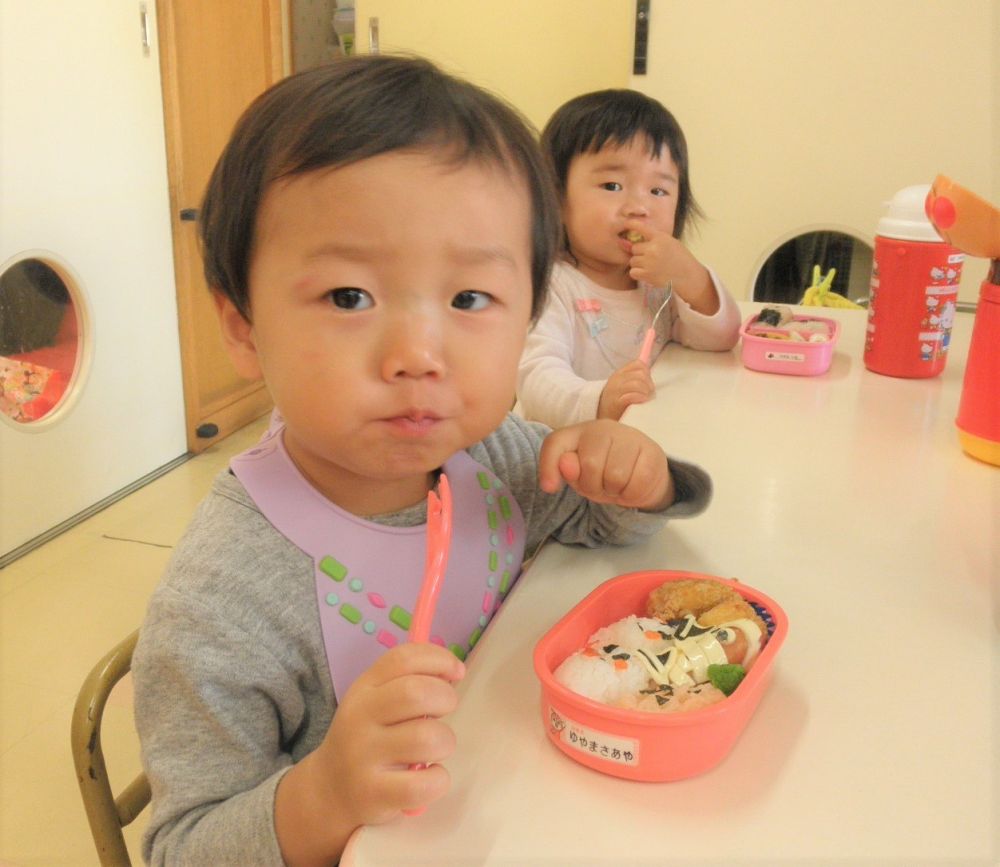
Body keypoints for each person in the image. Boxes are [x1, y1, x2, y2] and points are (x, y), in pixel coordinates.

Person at [132, 56, 714, 866]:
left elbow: (596, 522)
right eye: (348, 297)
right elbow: (182, 849)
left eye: (470, 299)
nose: (418, 355)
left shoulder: (486, 452)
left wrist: (635, 477)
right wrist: (323, 795)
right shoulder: (224, 602)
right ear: (242, 326)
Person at [517, 89, 741, 428]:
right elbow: (535, 382)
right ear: (556, 198)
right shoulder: (550, 286)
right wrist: (600, 400)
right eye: (611, 186)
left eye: (658, 191)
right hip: (560, 457)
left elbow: (720, 339)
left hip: (638, 442)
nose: (639, 207)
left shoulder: (657, 283)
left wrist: (690, 276)